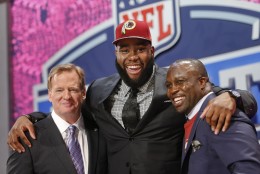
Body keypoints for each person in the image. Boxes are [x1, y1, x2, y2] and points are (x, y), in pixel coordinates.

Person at [7, 20, 257, 174]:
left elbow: (234, 98)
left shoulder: (175, 86)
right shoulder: (97, 91)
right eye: (124, 50)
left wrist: (232, 96)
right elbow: (68, 111)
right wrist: (28, 117)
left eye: (140, 49)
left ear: (151, 50)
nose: (132, 57)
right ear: (116, 53)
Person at [7, 64, 107, 174]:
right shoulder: (27, 139)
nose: (67, 96)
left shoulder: (102, 132)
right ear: (50, 95)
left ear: (83, 93)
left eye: (73, 89)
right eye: (59, 90)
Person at [165, 58, 260, 174]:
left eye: (180, 82)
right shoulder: (193, 118)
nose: (173, 90)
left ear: (202, 82)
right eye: (169, 85)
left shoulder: (221, 114)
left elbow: (250, 170)